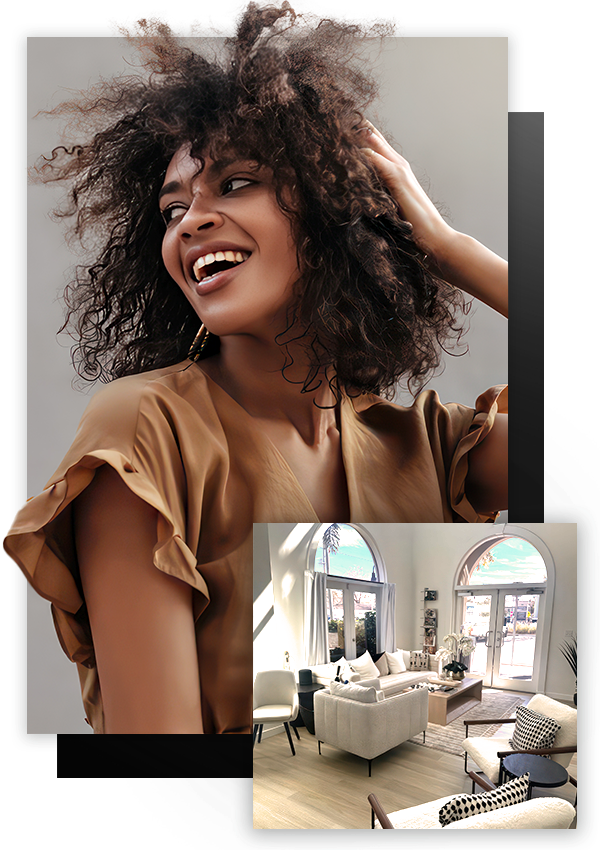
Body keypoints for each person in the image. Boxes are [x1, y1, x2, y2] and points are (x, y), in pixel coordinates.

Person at [4, 3, 507, 736]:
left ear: (332, 209)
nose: (191, 220)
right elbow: (166, 765)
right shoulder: (145, 431)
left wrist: (450, 247)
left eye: (235, 184)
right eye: (173, 208)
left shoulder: (430, 447)